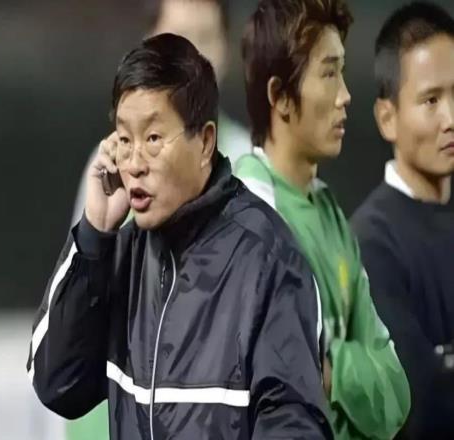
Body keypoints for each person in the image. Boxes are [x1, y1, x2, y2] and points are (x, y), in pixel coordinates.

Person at [27, 33, 333, 440]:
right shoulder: (119, 251)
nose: (134, 162)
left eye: (153, 139)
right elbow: (57, 384)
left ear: (205, 142)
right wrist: (94, 232)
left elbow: (294, 427)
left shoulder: (267, 259)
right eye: (124, 139)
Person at [234, 1, 410, 439]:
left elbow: (395, 397)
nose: (345, 95)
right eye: (329, 73)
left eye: (342, 72)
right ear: (279, 96)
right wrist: (351, 371)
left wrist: (334, 369)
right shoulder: (247, 214)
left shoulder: (330, 215)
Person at [351, 2, 454, 438]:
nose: (451, 119)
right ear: (387, 117)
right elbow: (417, 403)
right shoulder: (371, 242)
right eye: (431, 100)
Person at [70, 0, 251, 226]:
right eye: (178, 41)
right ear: (149, 46)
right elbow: (81, 248)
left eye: (205, 38)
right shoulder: (109, 166)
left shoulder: (250, 164)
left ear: (227, 49)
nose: (192, 61)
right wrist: (100, 231)